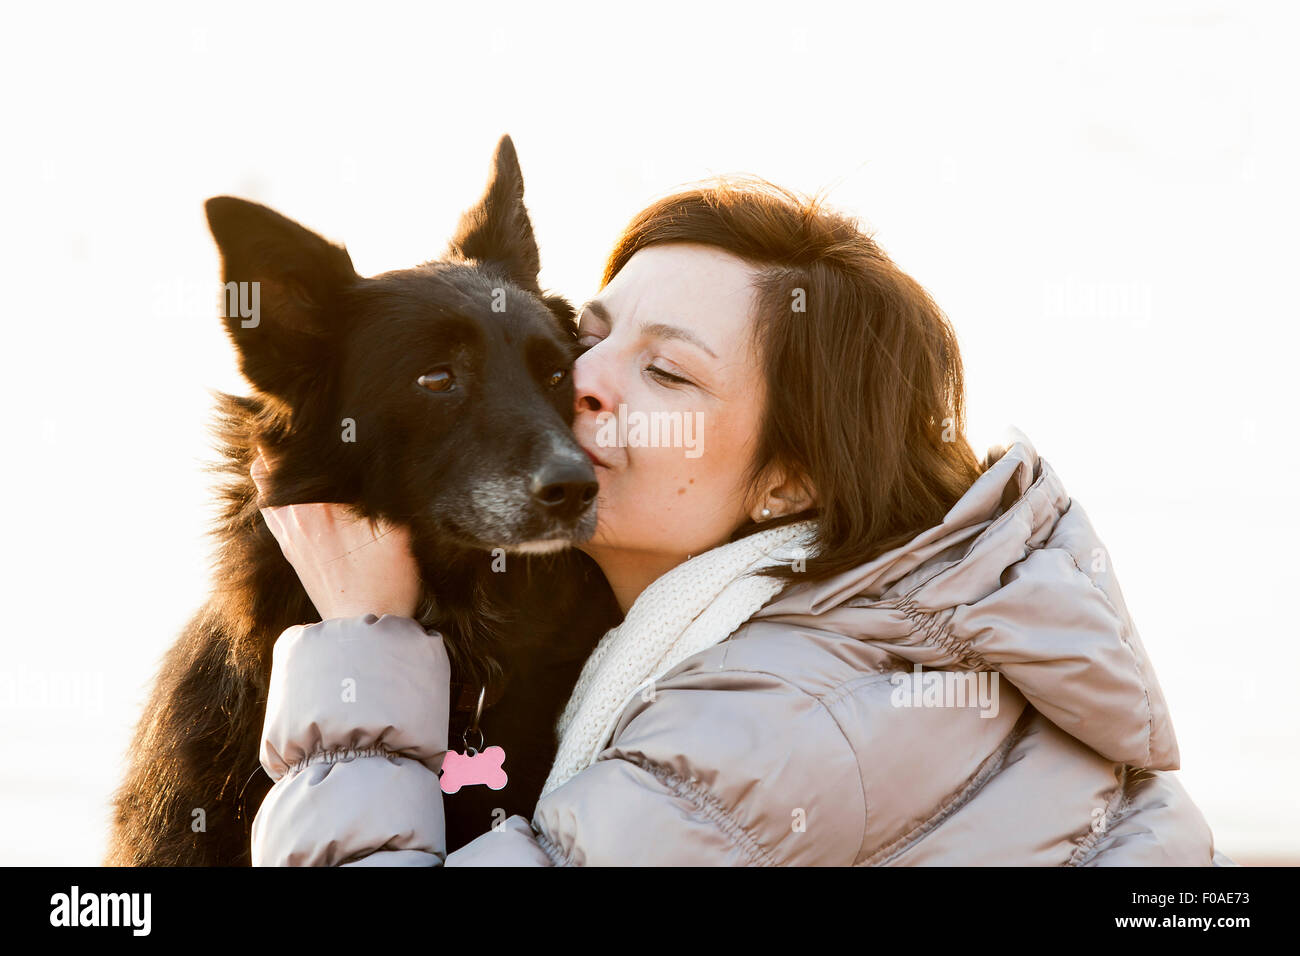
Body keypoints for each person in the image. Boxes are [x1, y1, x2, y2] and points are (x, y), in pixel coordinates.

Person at [248, 177, 1231, 866]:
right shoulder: (860, 632)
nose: (577, 383)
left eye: (665, 370)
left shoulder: (778, 725)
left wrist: (361, 640)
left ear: (789, 482)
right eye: (586, 337)